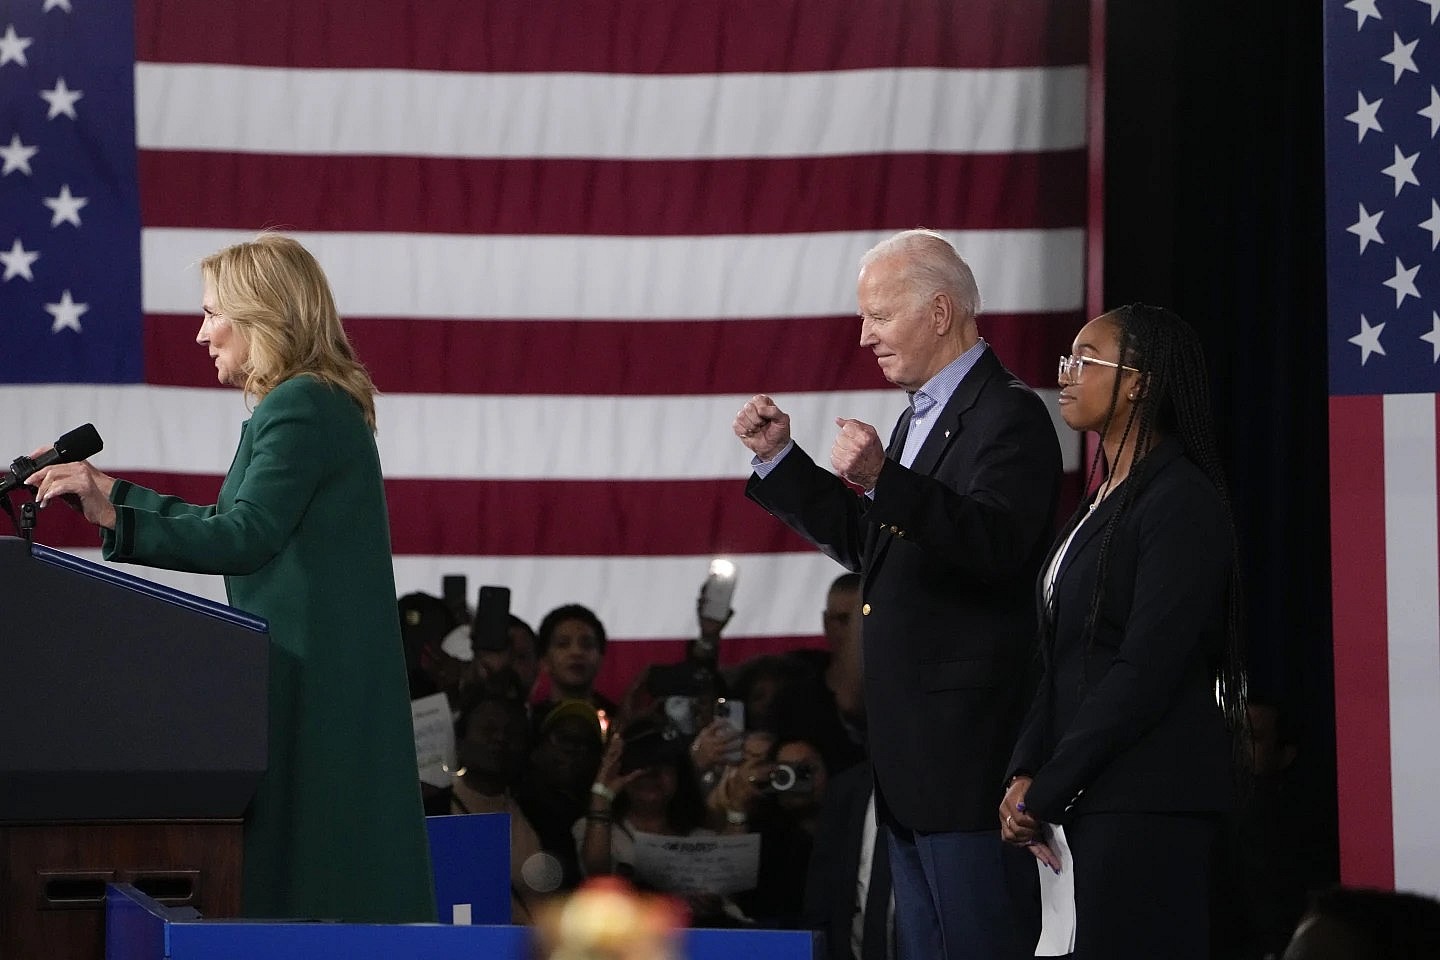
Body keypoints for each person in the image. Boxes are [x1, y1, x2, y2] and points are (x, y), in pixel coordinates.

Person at [29, 234, 435, 922]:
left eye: (212, 313)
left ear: (261, 316)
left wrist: (115, 515)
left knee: (311, 880)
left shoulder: (301, 405)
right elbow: (232, 521)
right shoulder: (312, 402)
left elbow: (244, 537)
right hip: (318, 678)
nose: (200, 333)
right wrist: (110, 494)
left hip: (312, 687)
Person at [734, 229, 1061, 959]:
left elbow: (996, 545)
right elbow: (877, 546)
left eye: (879, 316)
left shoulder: (1008, 414)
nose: (864, 337)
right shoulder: (922, 413)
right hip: (914, 766)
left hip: (969, 763)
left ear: (939, 312)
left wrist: (885, 478)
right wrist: (782, 461)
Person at [998, 304, 1248, 959]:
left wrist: (1049, 787)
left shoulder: (1181, 500)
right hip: (1081, 799)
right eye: (1066, 360)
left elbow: (1145, 667)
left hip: (1146, 804)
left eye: (1086, 359)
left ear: (1139, 383)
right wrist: (1025, 772)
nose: (1066, 374)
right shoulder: (1099, 502)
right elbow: (1060, 658)